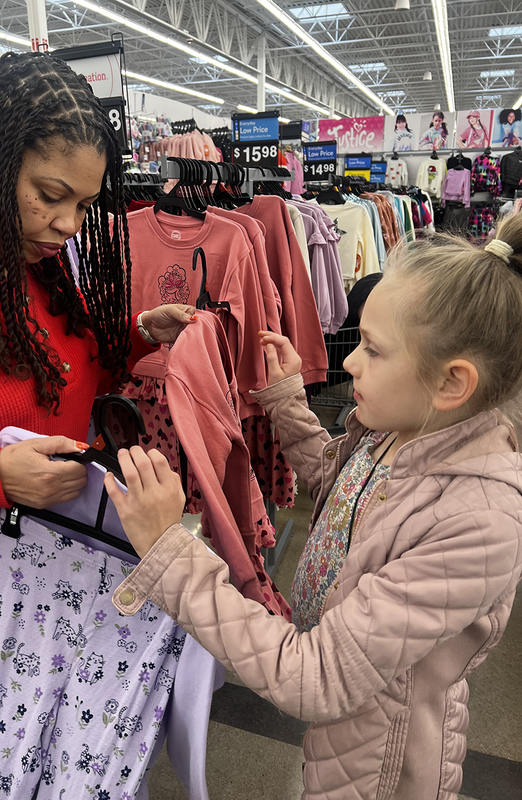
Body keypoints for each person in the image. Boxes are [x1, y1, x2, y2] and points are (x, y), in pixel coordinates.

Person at [105, 218, 522, 800]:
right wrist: (284, 400)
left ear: (452, 383)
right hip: (348, 727)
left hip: (384, 770)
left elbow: (317, 675)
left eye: (373, 351)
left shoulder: (478, 521)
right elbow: (341, 487)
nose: (349, 363)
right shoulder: (406, 432)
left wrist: (169, 555)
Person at [0, 51, 195, 750]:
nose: (69, 223)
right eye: (50, 193)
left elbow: (60, 366)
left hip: (57, 545)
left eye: (83, 204)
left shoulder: (37, 262)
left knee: (53, 748)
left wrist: (135, 338)